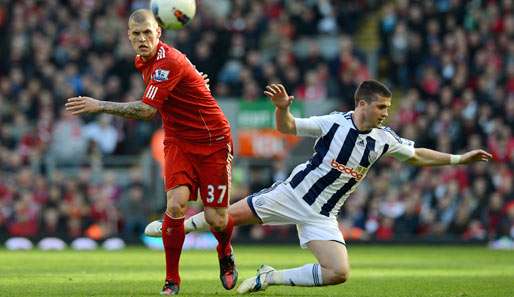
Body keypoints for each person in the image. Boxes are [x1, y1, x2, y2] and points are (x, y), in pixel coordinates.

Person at [145, 80, 492, 294]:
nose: (386, 113)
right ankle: (174, 226)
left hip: (324, 215)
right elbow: (289, 127)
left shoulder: (385, 139)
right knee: (222, 218)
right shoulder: (333, 123)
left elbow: (416, 155)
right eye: (381, 107)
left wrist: (459, 159)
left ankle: (270, 277)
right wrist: (282, 110)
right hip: (291, 195)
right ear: (362, 105)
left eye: (388, 107)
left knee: (339, 273)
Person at [65, 9, 237, 296]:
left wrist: (101, 105)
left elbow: (146, 111)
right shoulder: (142, 60)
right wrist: (192, 81)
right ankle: (172, 280)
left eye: (148, 32)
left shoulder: (168, 61)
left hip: (212, 141)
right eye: (136, 34)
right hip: (178, 140)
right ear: (129, 37)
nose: (142, 38)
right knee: (176, 205)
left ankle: (225, 251)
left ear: (160, 33)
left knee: (217, 218)